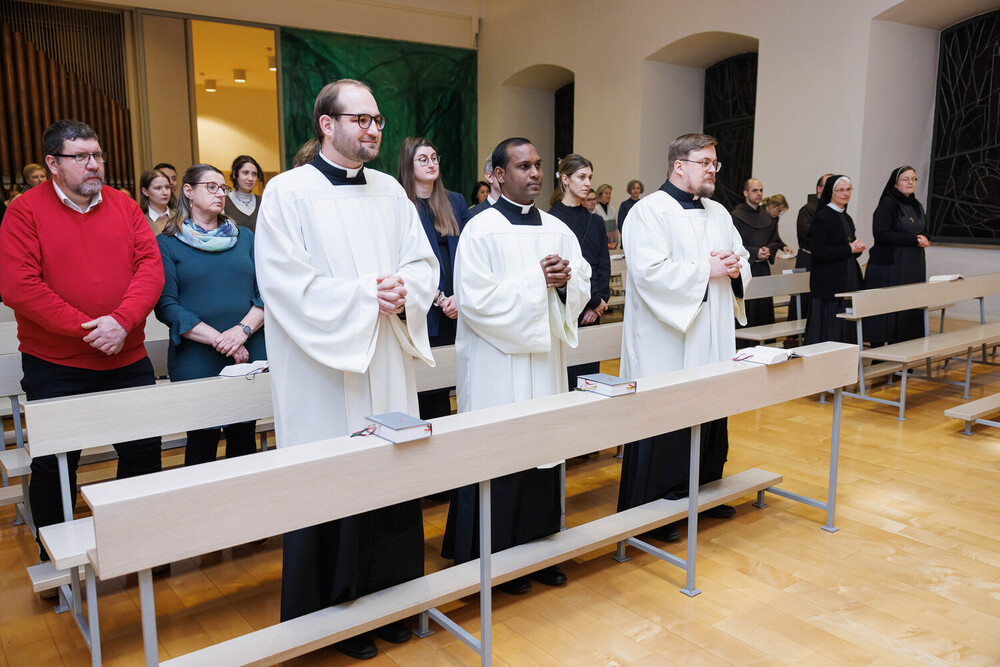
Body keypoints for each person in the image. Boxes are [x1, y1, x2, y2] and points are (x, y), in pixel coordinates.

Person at [255, 79, 438, 661]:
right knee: (333, 482)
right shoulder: (287, 193)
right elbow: (284, 282)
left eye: (377, 120)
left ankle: (392, 599)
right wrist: (365, 295)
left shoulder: (391, 191)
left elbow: (422, 262)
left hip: (385, 360)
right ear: (326, 124)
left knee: (390, 475)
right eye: (360, 119)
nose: (373, 129)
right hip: (323, 373)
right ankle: (335, 614)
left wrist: (405, 289)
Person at [0, 120, 164, 562]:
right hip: (56, 365)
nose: (94, 164)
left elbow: (150, 268)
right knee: (55, 466)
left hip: (126, 358)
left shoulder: (123, 205)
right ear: (53, 163)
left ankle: (137, 547)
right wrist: (90, 329)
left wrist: (122, 322)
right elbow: (19, 287)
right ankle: (56, 561)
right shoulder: (24, 211)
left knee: (144, 453)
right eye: (81, 157)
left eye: (97, 155)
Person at [442, 137, 590, 594]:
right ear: (499, 175)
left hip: (544, 363)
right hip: (496, 364)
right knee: (501, 454)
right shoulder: (480, 229)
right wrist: (536, 282)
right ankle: (496, 556)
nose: (535, 173)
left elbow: (581, 281)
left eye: (539, 165)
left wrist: (564, 285)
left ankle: (539, 550)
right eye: (524, 166)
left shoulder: (558, 229)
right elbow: (474, 300)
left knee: (543, 450)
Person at [617, 133, 750, 543]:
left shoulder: (718, 212)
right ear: (679, 165)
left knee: (710, 410)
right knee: (668, 419)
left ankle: (704, 492)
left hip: (712, 333)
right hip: (668, 339)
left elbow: (740, 257)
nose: (712, 170)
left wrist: (734, 267)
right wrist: (705, 270)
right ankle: (657, 507)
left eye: (714, 163)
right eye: (704, 162)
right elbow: (648, 273)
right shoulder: (648, 211)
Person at [154, 164, 265, 466]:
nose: (220, 194)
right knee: (202, 441)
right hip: (196, 356)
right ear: (188, 191)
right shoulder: (167, 243)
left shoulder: (245, 238)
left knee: (244, 436)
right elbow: (167, 306)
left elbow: (266, 293)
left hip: (249, 348)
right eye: (211, 187)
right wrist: (222, 340)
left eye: (223, 188)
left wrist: (241, 332)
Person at [397, 137, 469, 419]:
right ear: (408, 164)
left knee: (451, 383)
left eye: (435, 158)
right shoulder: (400, 204)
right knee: (425, 390)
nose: (432, 164)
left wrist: (459, 296)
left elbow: (468, 253)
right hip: (422, 309)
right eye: (423, 159)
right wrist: (437, 297)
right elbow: (400, 260)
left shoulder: (455, 201)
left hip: (456, 308)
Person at [548, 153, 610, 385]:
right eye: (581, 177)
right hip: (567, 309)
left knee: (590, 379)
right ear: (565, 179)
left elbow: (604, 265)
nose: (587, 183)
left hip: (594, 310)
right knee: (566, 377)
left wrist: (600, 301)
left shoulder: (596, 221)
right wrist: (592, 301)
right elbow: (560, 268)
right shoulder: (551, 220)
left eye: (590, 177)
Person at [864, 166, 930, 346]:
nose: (911, 182)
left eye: (913, 179)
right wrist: (913, 239)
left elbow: (924, 229)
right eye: (905, 179)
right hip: (891, 264)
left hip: (913, 263)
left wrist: (925, 237)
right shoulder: (888, 203)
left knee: (908, 305)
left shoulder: (916, 205)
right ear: (895, 183)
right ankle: (881, 350)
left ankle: (904, 347)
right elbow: (881, 234)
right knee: (889, 307)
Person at [804, 175, 865, 344]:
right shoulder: (822, 217)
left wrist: (856, 249)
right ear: (831, 192)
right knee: (831, 329)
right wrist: (849, 249)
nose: (845, 194)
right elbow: (819, 252)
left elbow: (847, 248)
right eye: (841, 190)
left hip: (847, 279)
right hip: (829, 283)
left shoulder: (846, 217)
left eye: (848, 190)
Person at [731, 178, 787, 328]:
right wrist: (756, 252)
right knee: (749, 307)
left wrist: (769, 250)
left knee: (764, 307)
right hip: (746, 268)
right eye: (755, 190)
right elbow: (733, 243)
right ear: (745, 193)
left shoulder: (767, 216)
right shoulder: (736, 216)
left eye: (761, 190)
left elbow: (775, 239)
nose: (759, 193)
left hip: (763, 269)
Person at [225, 155, 265, 233]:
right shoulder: (224, 202)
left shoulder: (263, 202)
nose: (250, 178)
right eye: (245, 173)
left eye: (254, 174)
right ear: (234, 174)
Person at [138, 168, 172, 234]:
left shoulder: (180, 217)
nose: (165, 192)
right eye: (158, 188)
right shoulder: (139, 220)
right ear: (145, 191)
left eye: (167, 187)